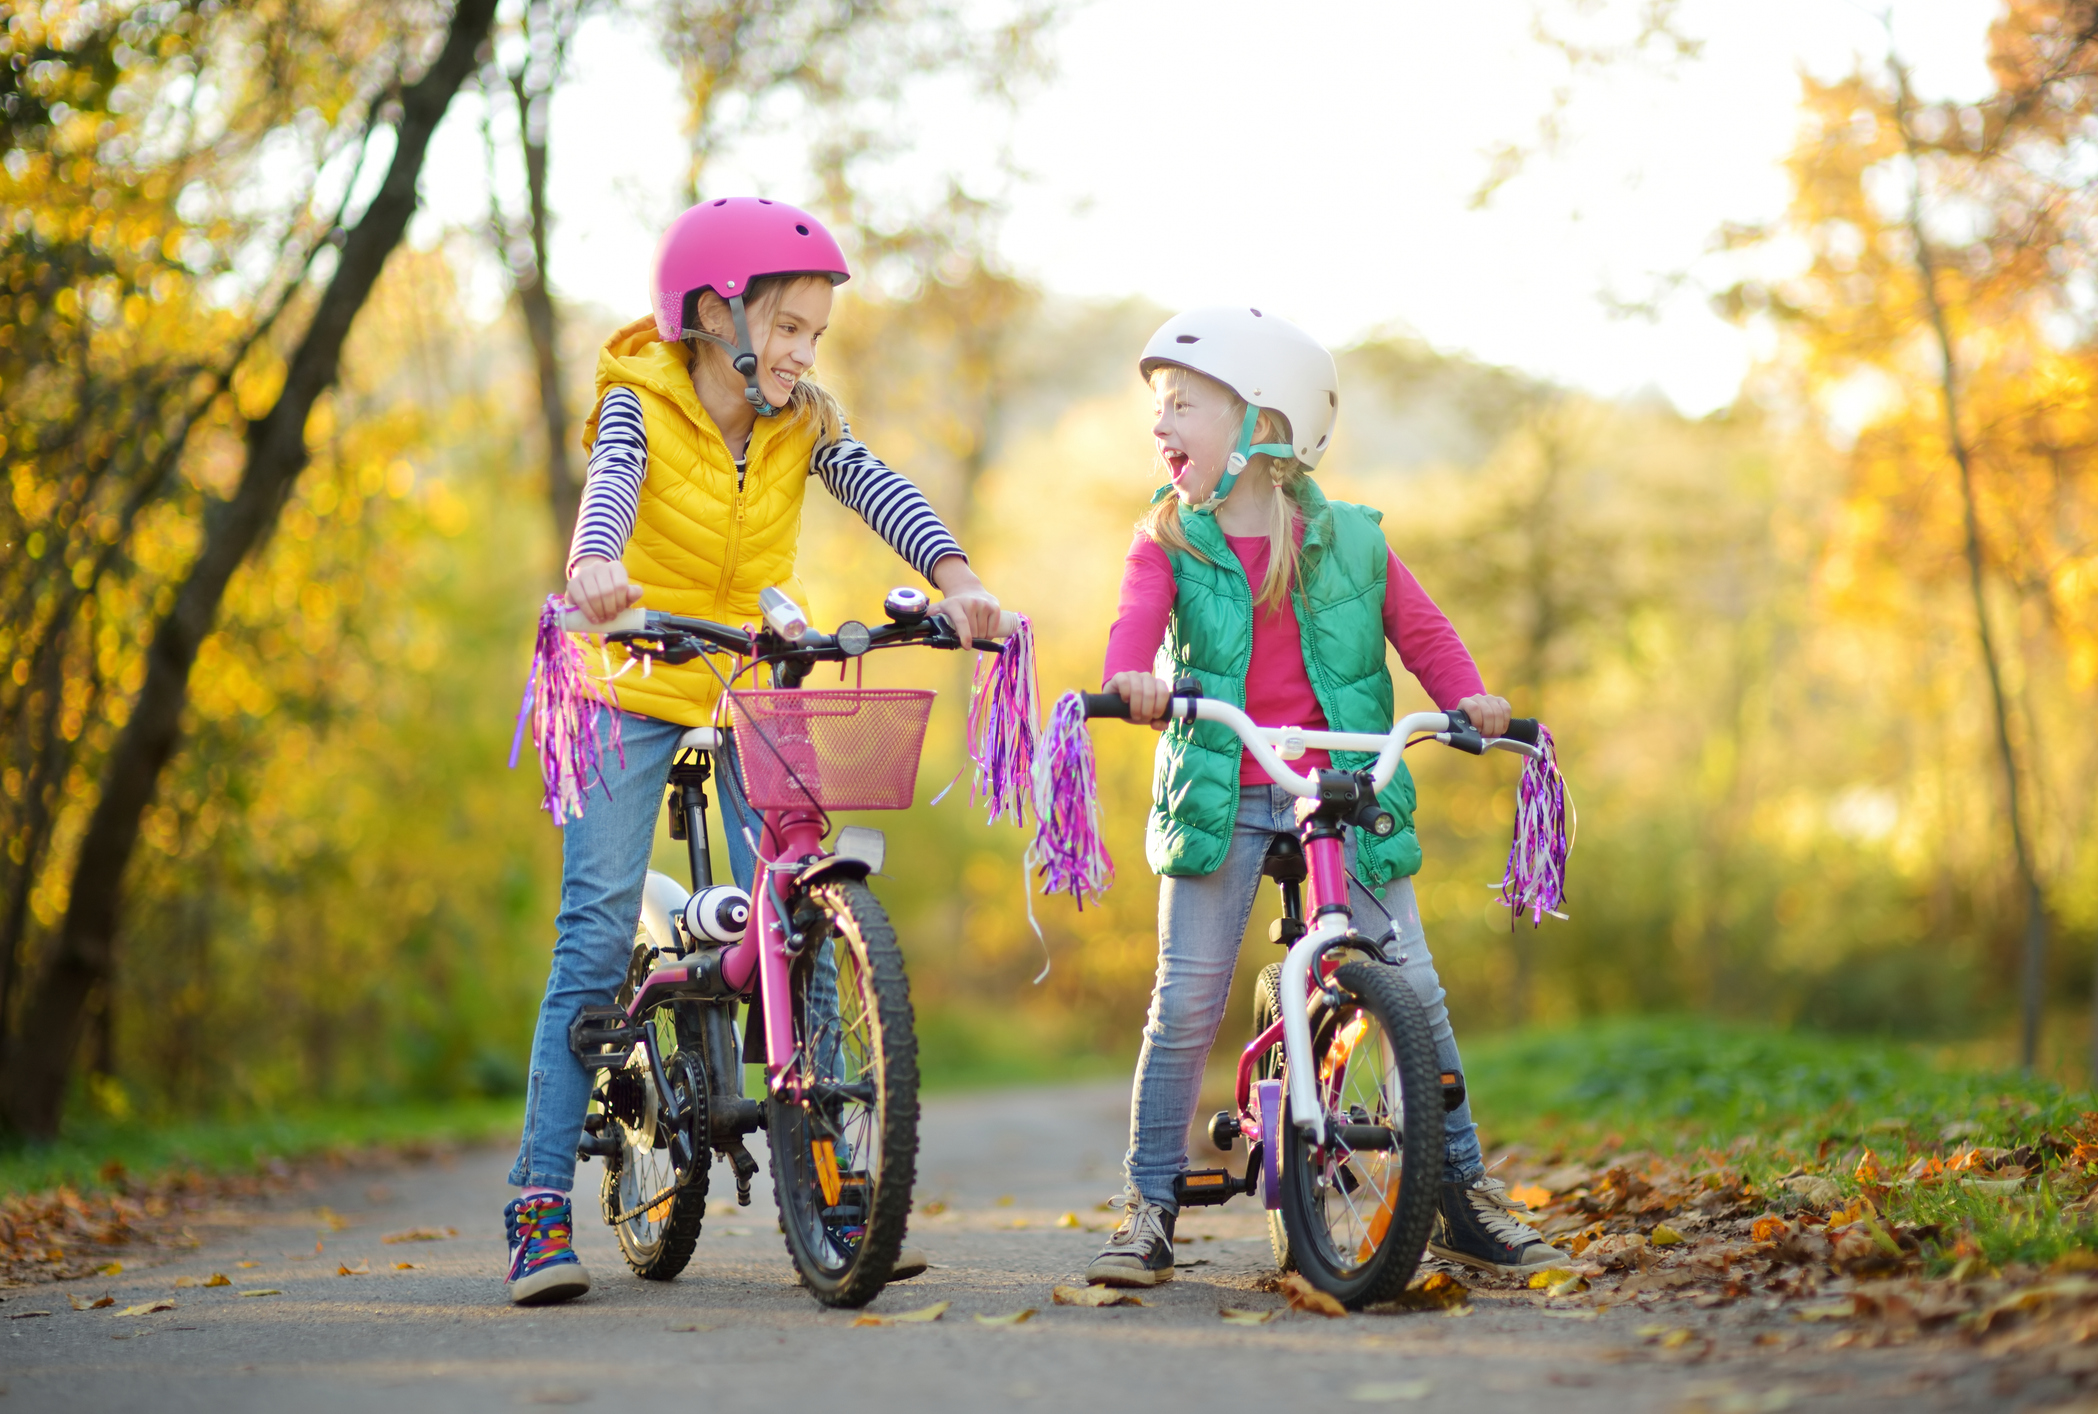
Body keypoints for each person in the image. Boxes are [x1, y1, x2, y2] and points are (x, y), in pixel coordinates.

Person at [504, 197, 1003, 1306]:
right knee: (593, 927)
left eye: (815, 335)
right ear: (711, 316)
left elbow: (877, 486)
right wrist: (595, 569)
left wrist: (958, 578)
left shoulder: (801, 419)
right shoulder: (642, 401)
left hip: (743, 670)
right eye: (787, 328)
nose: (801, 354)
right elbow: (612, 492)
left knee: (802, 908)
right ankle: (538, 1203)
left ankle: (826, 1181)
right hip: (631, 666)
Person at [1083, 306, 1565, 1288]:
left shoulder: (1350, 542)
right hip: (1224, 782)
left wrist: (1465, 697)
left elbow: (1421, 630)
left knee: (1416, 986)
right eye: (1157, 406)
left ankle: (1460, 1194)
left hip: (1340, 791)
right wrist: (1130, 677)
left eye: (1183, 403)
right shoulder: (1169, 539)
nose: (1160, 423)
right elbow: (1135, 626)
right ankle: (1150, 1206)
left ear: (1264, 420)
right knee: (1184, 1001)